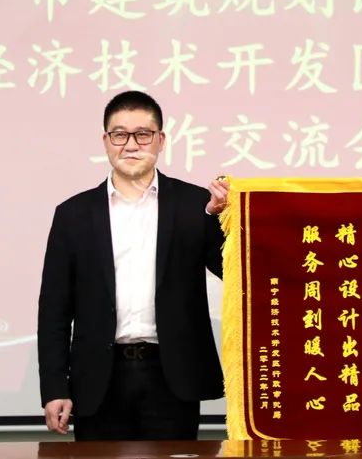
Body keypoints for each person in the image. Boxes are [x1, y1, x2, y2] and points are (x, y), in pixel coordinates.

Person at [37, 90, 229, 440]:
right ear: (105, 141)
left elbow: (232, 272)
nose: (130, 145)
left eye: (142, 134)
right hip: (99, 378)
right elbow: (54, 311)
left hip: (172, 376)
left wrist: (220, 219)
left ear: (160, 140)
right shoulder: (73, 214)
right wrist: (54, 387)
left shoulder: (196, 205)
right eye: (119, 135)